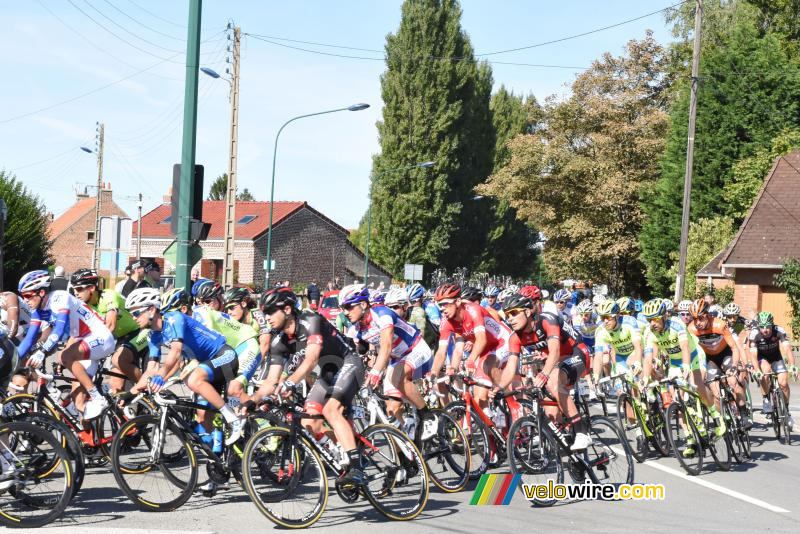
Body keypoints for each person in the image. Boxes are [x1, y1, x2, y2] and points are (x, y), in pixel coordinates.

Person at [256, 287, 367, 486]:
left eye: (271, 312)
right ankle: (348, 448)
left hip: (349, 362)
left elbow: (311, 358)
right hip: (328, 372)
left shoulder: (310, 320)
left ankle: (356, 468)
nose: (267, 318)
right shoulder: (279, 341)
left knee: (331, 410)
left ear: (287, 309)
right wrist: (251, 401)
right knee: (308, 422)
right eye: (265, 313)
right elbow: (271, 381)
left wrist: (290, 382)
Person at [125, 287, 245, 443]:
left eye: (136, 313)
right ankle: (217, 453)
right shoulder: (153, 335)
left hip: (224, 356)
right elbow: (151, 369)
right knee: (203, 417)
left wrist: (161, 376)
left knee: (193, 379)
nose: (133, 318)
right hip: (206, 364)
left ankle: (234, 418)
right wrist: (130, 394)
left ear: (152, 310)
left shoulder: (174, 318)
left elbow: (176, 351)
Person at [17, 270, 115, 419]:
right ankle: (89, 432)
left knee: (66, 356)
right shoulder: (38, 310)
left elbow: (59, 329)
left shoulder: (60, 298)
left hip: (101, 336)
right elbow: (29, 339)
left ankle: (98, 398)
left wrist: (42, 351)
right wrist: (13, 361)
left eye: (28, 296)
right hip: (85, 341)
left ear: (41, 292)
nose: (25, 301)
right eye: (23, 296)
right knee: (78, 402)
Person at [501, 291, 592, 450]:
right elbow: (510, 366)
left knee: (553, 381)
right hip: (557, 361)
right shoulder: (515, 337)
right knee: (550, 411)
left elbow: (555, 352)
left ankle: (581, 432)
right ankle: (565, 438)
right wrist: (498, 387)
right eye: (507, 315)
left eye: (514, 313)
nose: (510, 319)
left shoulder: (546, 321)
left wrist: (544, 375)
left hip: (576, 353)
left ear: (527, 312)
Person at [340, 284, 433, 435]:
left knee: (397, 377)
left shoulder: (382, 314)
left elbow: (386, 346)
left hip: (416, 349)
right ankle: (408, 443)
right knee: (392, 409)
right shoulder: (354, 329)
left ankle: (427, 416)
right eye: (343, 308)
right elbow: (345, 352)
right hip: (397, 359)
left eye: (349, 307)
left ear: (363, 304)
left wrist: (376, 371)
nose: (345, 312)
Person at [640, 299, 726, 455]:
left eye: (655, 319)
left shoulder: (676, 324)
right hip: (675, 362)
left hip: (692, 356)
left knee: (697, 383)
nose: (652, 323)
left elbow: (685, 347)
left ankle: (716, 416)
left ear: (664, 316)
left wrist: (687, 366)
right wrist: (646, 377)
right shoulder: (650, 332)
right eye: (649, 320)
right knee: (678, 399)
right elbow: (649, 357)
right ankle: (689, 438)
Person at [430, 284, 513, 413]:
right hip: (486, 349)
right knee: (480, 397)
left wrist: (470, 360)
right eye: (439, 305)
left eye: (446, 304)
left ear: (458, 301)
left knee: (487, 364)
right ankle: (488, 423)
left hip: (503, 341)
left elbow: (481, 339)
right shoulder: (447, 322)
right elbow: (446, 351)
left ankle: (513, 404)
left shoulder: (473, 310)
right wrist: (435, 373)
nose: (442, 309)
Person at [70, 268, 148, 394]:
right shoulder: (85, 306)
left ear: (91, 288)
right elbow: (77, 334)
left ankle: (147, 390)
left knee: (118, 360)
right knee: (115, 386)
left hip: (138, 331)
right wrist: (66, 354)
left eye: (79, 289)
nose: (75, 293)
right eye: (73, 290)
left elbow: (110, 326)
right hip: (120, 337)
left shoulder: (108, 296)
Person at [749, 312, 797, 430]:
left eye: (768, 327)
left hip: (776, 357)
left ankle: (786, 410)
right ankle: (766, 399)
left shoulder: (779, 330)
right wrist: (757, 370)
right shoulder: (754, 334)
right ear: (758, 326)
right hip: (762, 358)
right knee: (765, 371)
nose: (765, 330)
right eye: (762, 327)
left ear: (772, 325)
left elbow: (787, 349)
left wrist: (792, 365)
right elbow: (753, 355)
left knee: (783, 383)